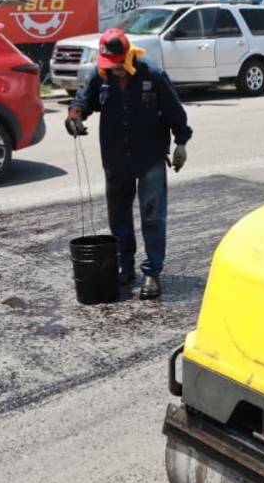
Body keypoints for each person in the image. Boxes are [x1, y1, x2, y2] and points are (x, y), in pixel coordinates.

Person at [66, 28, 191, 301]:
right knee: (119, 216)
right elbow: (82, 101)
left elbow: (174, 110)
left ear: (129, 56)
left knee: (152, 215)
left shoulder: (152, 74)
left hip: (150, 158)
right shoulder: (100, 75)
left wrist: (181, 142)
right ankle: (125, 265)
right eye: (111, 65)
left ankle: (152, 272)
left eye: (120, 65)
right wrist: (74, 117)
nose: (116, 70)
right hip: (115, 159)